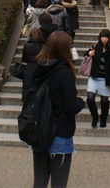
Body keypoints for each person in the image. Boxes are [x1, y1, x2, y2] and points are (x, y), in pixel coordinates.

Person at [31, 31, 84, 188]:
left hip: (40, 129)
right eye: (70, 46)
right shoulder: (64, 73)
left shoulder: (39, 69)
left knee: (39, 183)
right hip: (59, 132)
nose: (71, 49)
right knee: (59, 184)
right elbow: (70, 106)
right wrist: (81, 102)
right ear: (63, 49)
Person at [85, 29, 110, 129]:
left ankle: (103, 119)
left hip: (105, 79)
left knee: (104, 101)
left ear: (109, 38)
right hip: (94, 77)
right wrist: (89, 54)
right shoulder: (95, 47)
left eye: (106, 37)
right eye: (102, 36)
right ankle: (95, 117)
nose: (104, 39)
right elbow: (85, 55)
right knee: (90, 98)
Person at [20, 27, 44, 101]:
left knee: (28, 89)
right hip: (41, 69)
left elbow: (24, 59)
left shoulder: (27, 45)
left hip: (29, 70)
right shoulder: (44, 45)